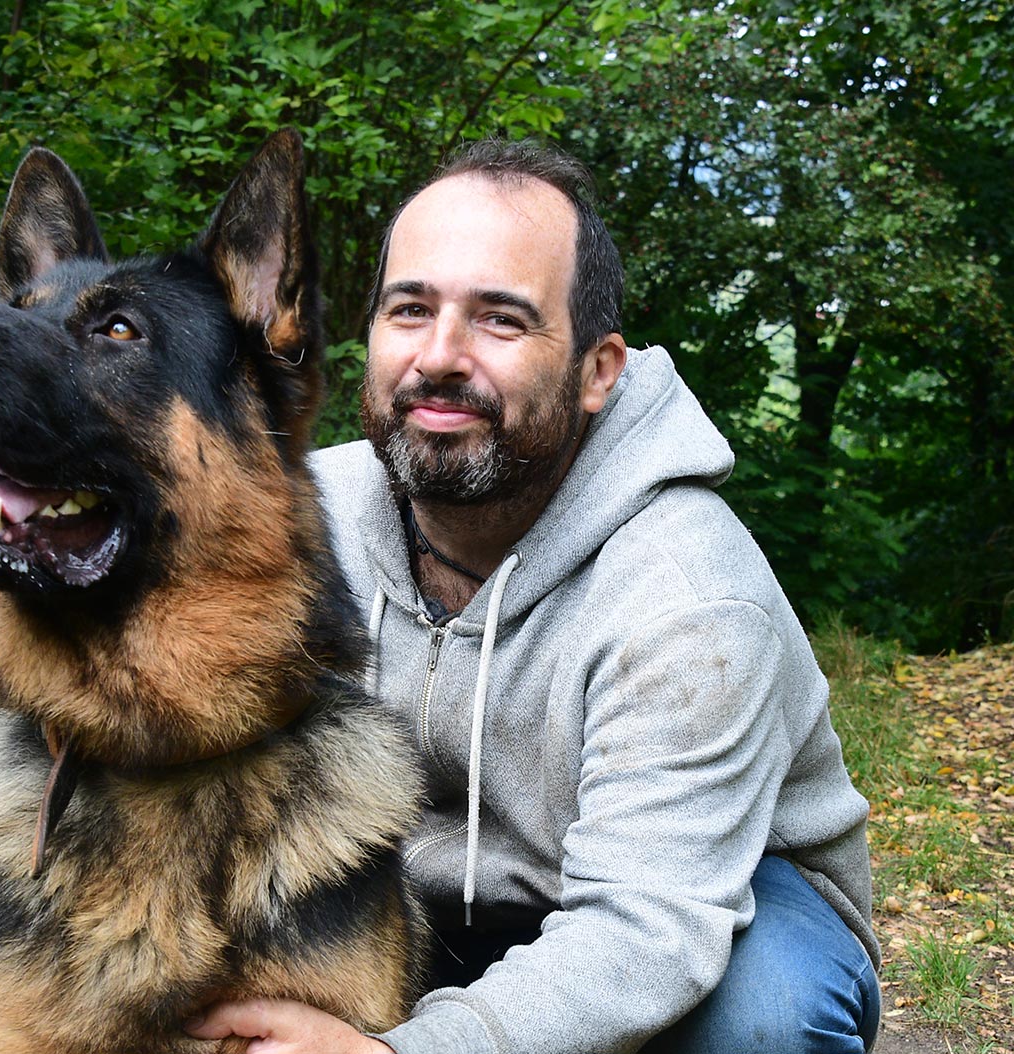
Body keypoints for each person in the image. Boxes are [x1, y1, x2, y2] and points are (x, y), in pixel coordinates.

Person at [186, 139, 881, 1053]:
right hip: (402, 892)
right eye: (410, 309)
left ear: (598, 371)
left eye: (501, 321)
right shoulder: (306, 515)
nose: (439, 357)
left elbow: (645, 934)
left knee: (764, 1019)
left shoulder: (688, 596)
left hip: (706, 897)